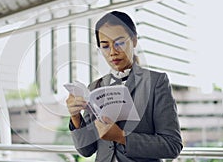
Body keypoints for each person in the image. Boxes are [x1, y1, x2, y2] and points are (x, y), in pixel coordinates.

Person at [66, 11, 183, 162]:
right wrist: (75, 116)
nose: (113, 52)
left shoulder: (156, 82)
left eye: (119, 43)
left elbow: (172, 145)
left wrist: (121, 137)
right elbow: (86, 150)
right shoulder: (95, 87)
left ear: (134, 41)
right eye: (105, 46)